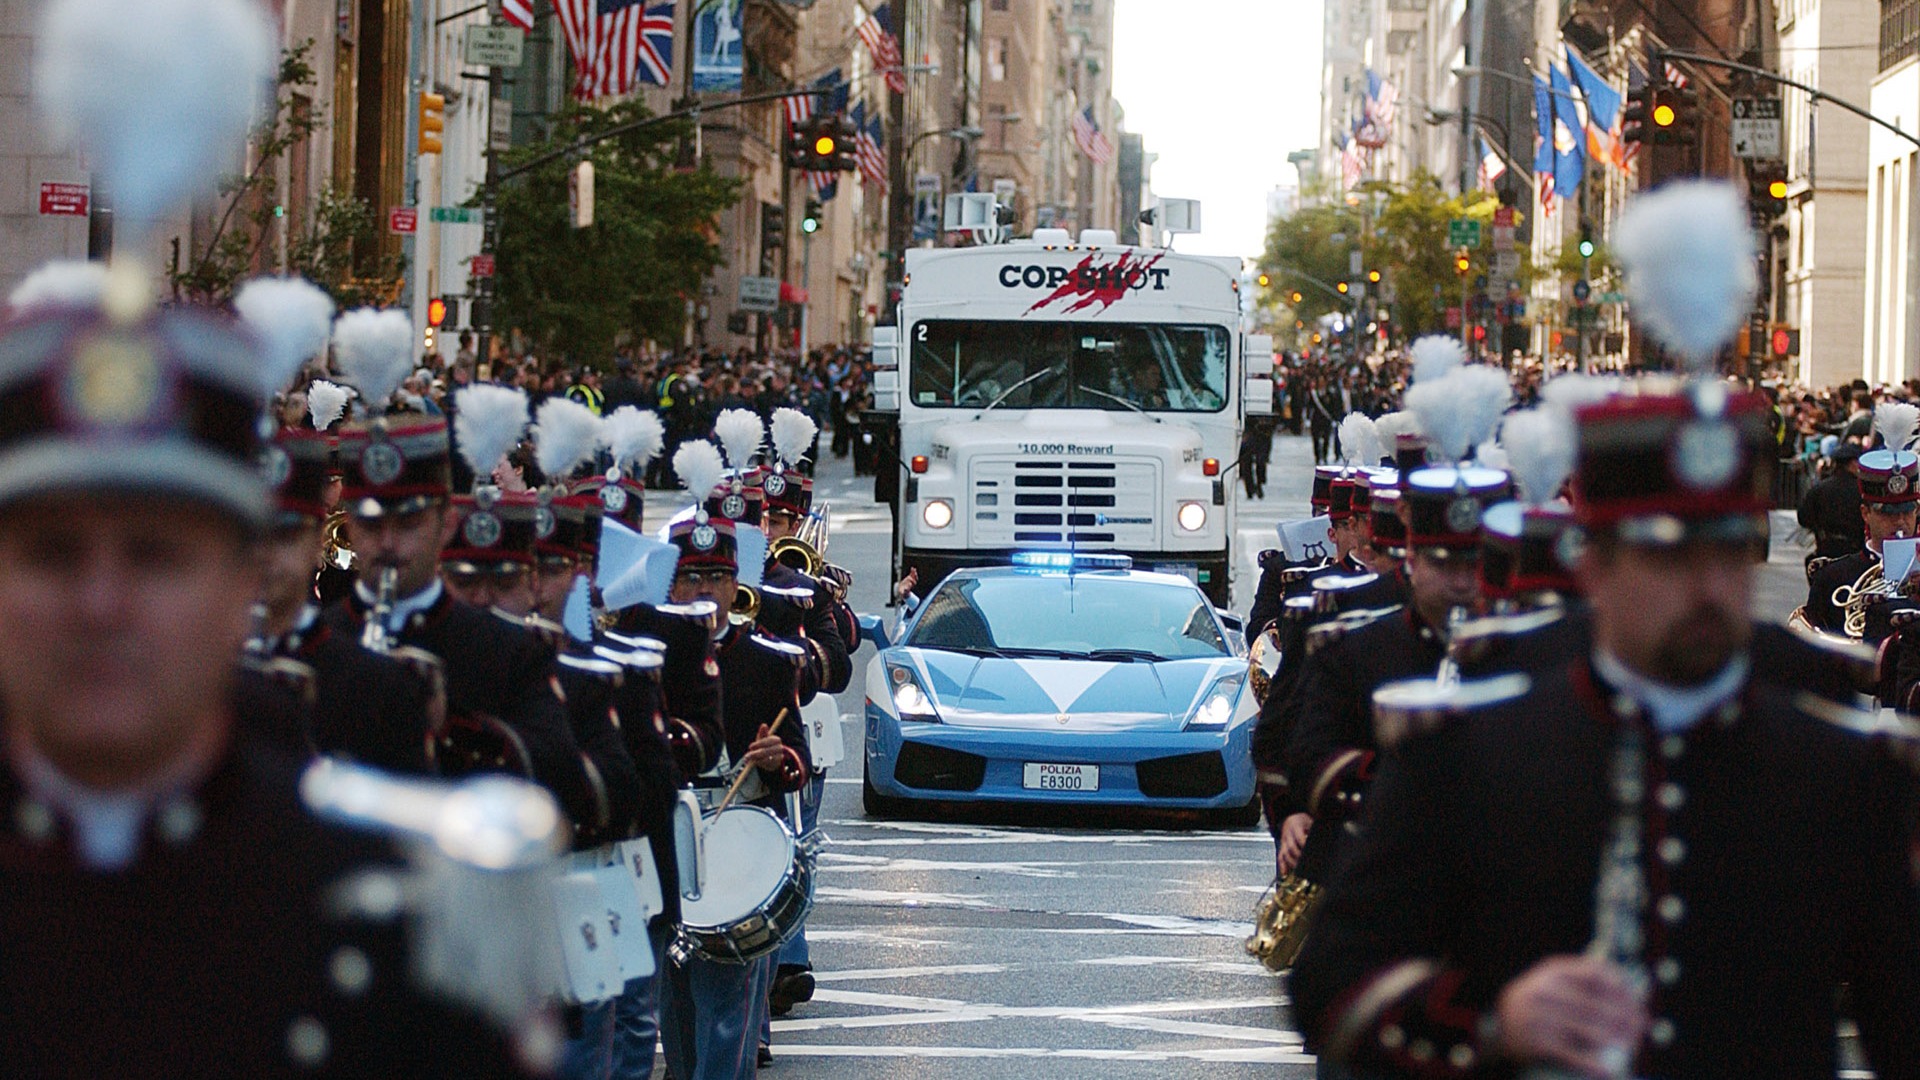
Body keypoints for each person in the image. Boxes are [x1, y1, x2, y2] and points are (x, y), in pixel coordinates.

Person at [1290, 384, 1920, 1078]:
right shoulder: (1471, 754)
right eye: (1666, 558)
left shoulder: (1842, 771)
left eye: (1727, 552)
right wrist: (1489, 1020)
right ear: (1596, 565)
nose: (1706, 588)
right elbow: (1330, 984)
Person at [0, 283, 532, 1077]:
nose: (101, 605)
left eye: (155, 555)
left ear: (238, 579)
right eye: (53, 554)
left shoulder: (405, 910)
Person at [250, 426, 436, 774]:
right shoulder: (181, 666)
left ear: (317, 541)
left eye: (285, 536)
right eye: (250, 535)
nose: (265, 555)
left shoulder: (381, 688)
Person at [1804, 441, 1918, 637]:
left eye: (1908, 512)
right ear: (1866, 514)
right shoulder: (1832, 578)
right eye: (1888, 513)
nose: (1900, 522)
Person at [1797, 442, 1866, 562]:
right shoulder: (1862, 490)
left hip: (1826, 549)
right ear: (1852, 464)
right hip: (1855, 552)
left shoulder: (1820, 488)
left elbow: (1803, 517)